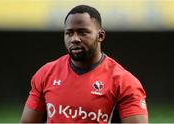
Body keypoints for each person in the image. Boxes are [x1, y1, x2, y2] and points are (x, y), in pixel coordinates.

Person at [20, 5, 148, 123]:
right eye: (69, 33)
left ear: (101, 36)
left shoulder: (124, 82)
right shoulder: (46, 73)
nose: (74, 39)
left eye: (82, 32)